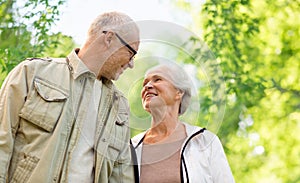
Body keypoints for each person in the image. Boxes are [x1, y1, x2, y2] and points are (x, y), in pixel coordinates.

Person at [0, 11, 139, 182]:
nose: (132, 64)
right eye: (131, 53)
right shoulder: (32, 73)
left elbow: (121, 174)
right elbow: (2, 140)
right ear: (109, 38)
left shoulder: (119, 106)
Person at [131, 63, 235, 183]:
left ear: (179, 92)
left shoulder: (204, 140)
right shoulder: (132, 148)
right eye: (145, 83)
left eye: (157, 79)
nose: (148, 86)